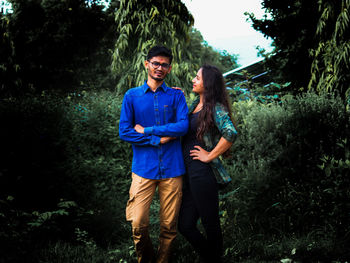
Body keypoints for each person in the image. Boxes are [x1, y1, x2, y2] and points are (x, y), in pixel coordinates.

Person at [119, 46, 189, 263]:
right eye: (156, 63)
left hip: (172, 168)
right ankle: (146, 259)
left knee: (169, 225)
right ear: (146, 63)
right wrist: (158, 139)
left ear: (169, 68)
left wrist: (149, 130)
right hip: (143, 168)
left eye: (164, 65)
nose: (160, 68)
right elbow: (125, 131)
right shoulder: (132, 96)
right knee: (138, 222)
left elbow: (182, 127)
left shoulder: (177, 95)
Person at [178, 65, 237, 263]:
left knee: (210, 224)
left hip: (203, 174)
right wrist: (174, 95)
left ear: (208, 83)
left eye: (197, 77)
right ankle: (212, 258)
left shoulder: (215, 107)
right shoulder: (195, 105)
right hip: (189, 174)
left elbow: (230, 133)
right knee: (185, 225)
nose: (193, 80)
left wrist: (209, 156)